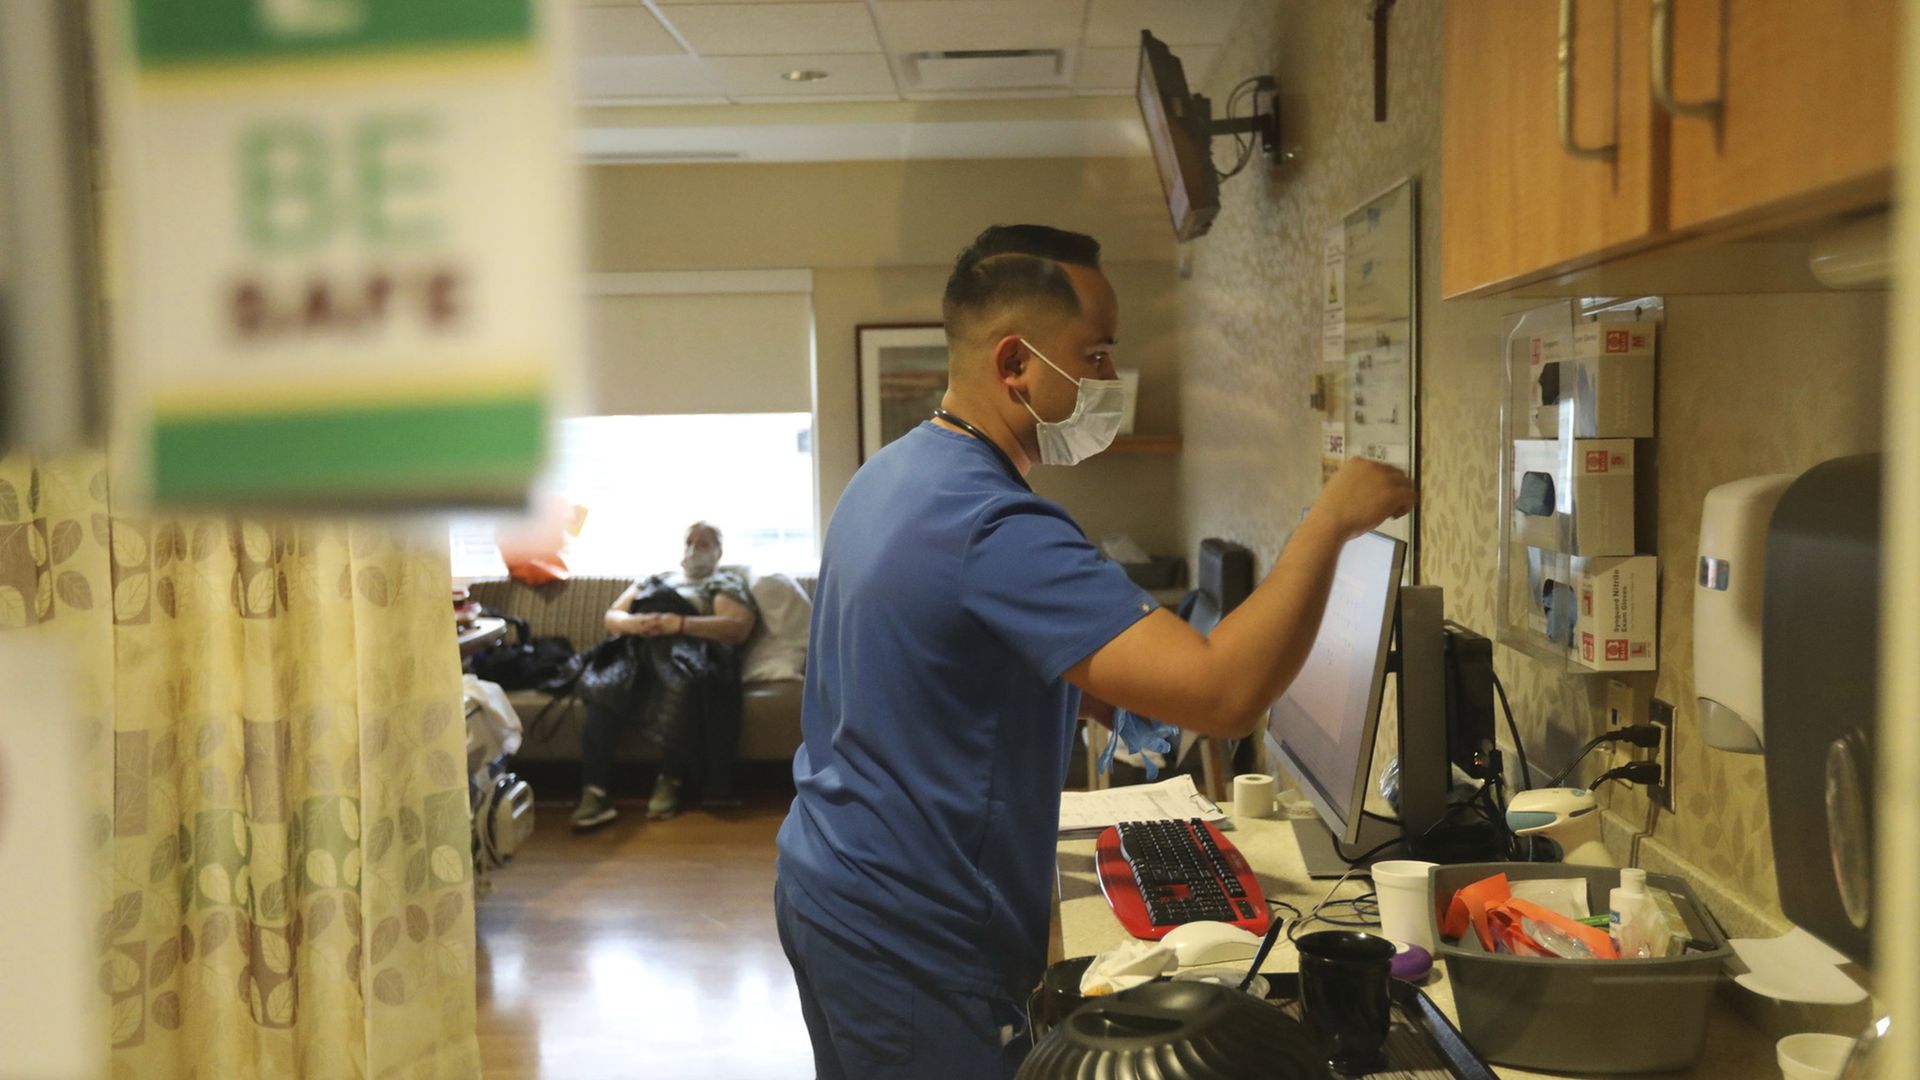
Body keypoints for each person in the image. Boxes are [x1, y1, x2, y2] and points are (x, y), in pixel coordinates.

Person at [773, 224, 1414, 1078]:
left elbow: (928, 666)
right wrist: (1330, 523)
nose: (1112, 380)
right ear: (1015, 364)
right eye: (1099, 353)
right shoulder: (992, 521)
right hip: (911, 930)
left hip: (833, 881)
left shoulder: (892, 474)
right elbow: (1225, 695)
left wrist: (1086, 691)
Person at [570, 521, 758, 829]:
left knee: (683, 681)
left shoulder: (721, 583)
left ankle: (669, 779)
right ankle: (594, 791)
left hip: (684, 652)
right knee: (601, 686)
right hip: (637, 651)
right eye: (689, 542)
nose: (693, 549)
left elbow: (736, 626)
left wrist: (679, 624)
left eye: (703, 544)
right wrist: (636, 624)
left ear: (719, 552)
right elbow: (614, 616)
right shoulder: (655, 580)